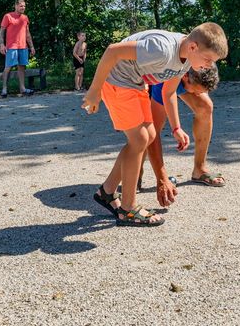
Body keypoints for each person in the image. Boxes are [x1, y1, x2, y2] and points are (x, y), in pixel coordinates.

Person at [80, 23, 228, 227]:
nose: (209, 65)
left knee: (148, 136)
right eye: (208, 59)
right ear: (193, 47)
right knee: (139, 139)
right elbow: (112, 51)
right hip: (117, 80)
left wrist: (176, 128)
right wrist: (94, 91)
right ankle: (128, 209)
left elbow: (168, 93)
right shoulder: (162, 49)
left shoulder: (186, 59)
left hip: (135, 83)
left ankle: (107, 191)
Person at [136, 65, 221, 207]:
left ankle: (199, 169)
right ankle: (136, 173)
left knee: (205, 106)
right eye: (196, 90)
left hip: (179, 77)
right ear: (186, 76)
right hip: (143, 77)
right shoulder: (164, 78)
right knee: (148, 130)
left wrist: (177, 127)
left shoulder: (202, 61)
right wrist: (162, 179)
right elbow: (153, 133)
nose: (197, 94)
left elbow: (196, 84)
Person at [0, 0, 36, 97]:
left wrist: (31, 46)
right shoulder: (8, 16)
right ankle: (4, 89)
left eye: (24, 6)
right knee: (8, 67)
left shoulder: (25, 18)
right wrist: (2, 44)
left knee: (22, 67)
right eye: (21, 6)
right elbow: (1, 32)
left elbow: (27, 33)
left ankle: (22, 89)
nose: (23, 8)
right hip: (11, 47)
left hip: (23, 46)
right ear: (15, 6)